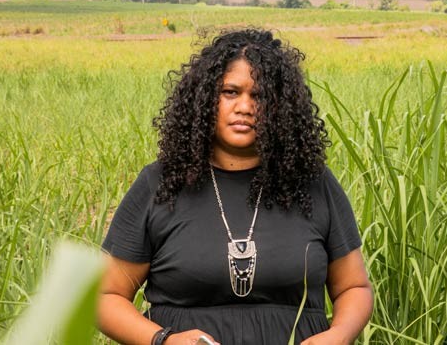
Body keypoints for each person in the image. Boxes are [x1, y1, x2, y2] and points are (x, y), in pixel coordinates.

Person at [97, 29, 372, 345]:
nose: (245, 106)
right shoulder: (159, 184)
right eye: (230, 92)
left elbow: (354, 287)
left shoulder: (313, 183)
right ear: (204, 99)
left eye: (260, 96)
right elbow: (106, 296)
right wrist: (163, 340)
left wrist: (338, 335)